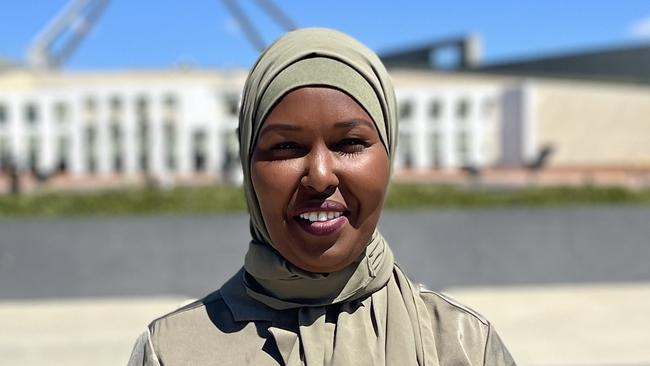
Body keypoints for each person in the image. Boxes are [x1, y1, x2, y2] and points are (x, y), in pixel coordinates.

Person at [128, 28, 516, 366]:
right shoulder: (173, 352)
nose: (319, 175)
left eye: (349, 142)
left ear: (389, 155)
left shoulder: (463, 345)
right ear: (249, 166)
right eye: (285, 147)